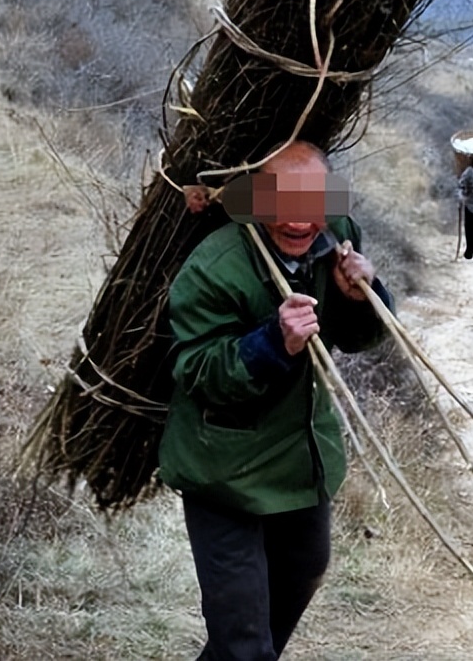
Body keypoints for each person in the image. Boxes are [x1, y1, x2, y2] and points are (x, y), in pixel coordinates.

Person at [158, 141, 393, 661]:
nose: (297, 222)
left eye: (312, 206)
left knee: (300, 577)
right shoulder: (215, 265)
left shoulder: (339, 237)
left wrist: (364, 296)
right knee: (244, 641)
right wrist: (273, 344)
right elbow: (196, 372)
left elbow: (358, 337)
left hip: (301, 458)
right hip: (224, 473)